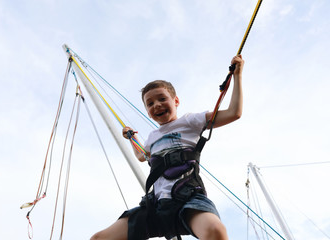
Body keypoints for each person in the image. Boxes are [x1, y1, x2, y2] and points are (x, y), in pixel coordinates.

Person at [90, 55, 244, 240]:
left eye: (162, 99)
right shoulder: (152, 138)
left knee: (215, 232)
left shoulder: (189, 121)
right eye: (150, 103)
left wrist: (237, 76)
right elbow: (141, 155)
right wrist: (132, 137)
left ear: (176, 101)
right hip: (155, 206)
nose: (157, 105)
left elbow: (234, 113)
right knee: (99, 238)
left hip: (188, 199)